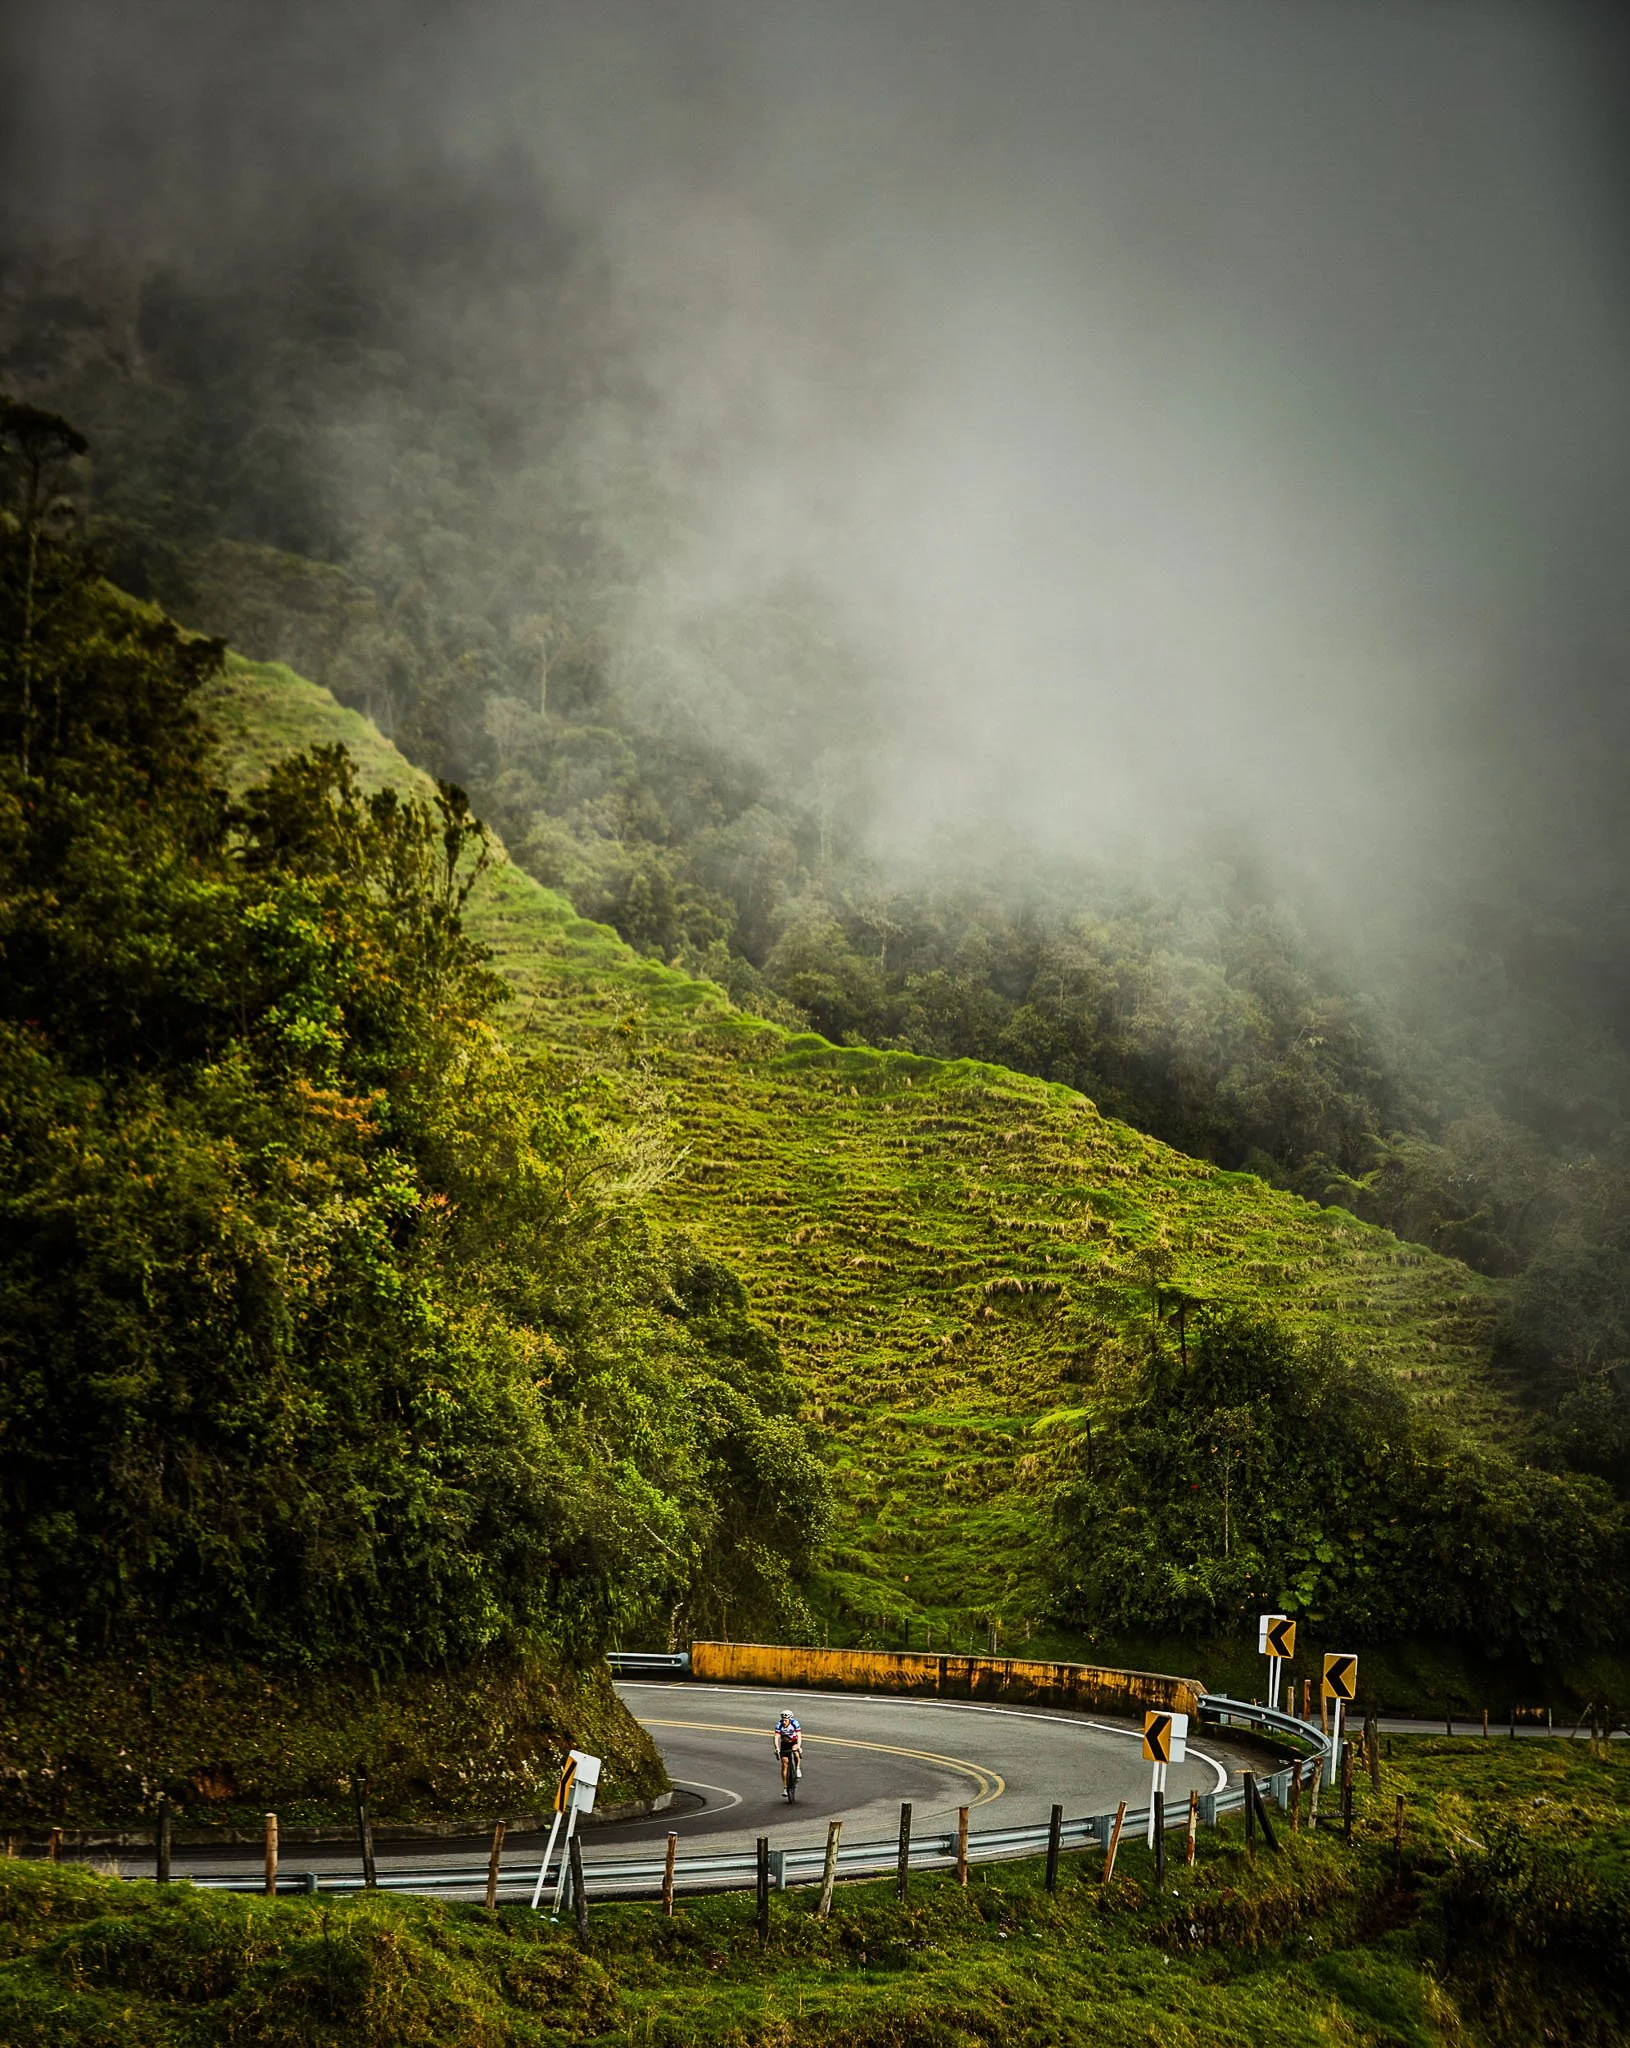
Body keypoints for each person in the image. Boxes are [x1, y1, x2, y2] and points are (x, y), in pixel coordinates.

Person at [772, 1708, 802, 1798]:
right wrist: (777, 1748)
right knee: (784, 1764)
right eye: (783, 1720)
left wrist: (799, 1746)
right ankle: (785, 1788)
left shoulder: (794, 1723)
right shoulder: (779, 1724)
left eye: (785, 1720)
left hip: (793, 1742)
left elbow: (799, 1735)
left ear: (789, 1719)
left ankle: (797, 1769)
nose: (784, 1722)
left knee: (795, 1752)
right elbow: (776, 1737)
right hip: (784, 1744)